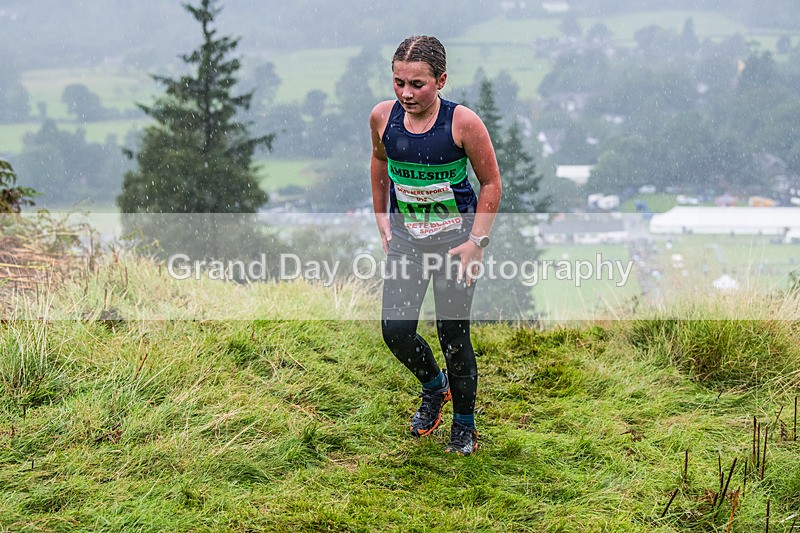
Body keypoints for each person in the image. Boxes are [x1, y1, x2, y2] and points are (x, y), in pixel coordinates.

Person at [369, 35, 502, 456]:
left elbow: (492, 183)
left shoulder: (463, 123)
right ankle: (435, 387)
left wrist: (477, 242)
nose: (406, 93)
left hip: (455, 245)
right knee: (396, 331)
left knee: (453, 334)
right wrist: (380, 215)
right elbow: (379, 161)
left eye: (417, 84)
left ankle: (464, 424)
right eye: (399, 83)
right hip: (408, 240)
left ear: (440, 80)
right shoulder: (381, 117)